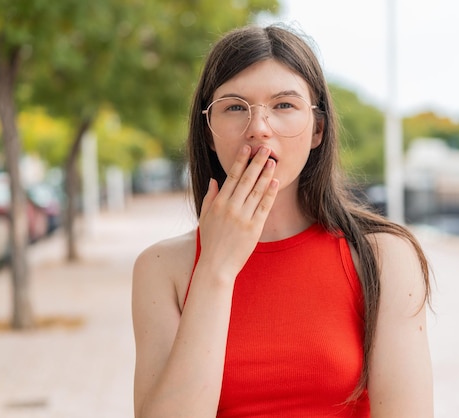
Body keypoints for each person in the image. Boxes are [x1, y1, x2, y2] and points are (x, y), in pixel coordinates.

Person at [132, 24, 433, 418]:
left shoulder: (383, 258)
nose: (258, 127)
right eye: (235, 106)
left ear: (317, 129)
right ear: (207, 132)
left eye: (284, 105)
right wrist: (216, 269)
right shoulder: (161, 269)